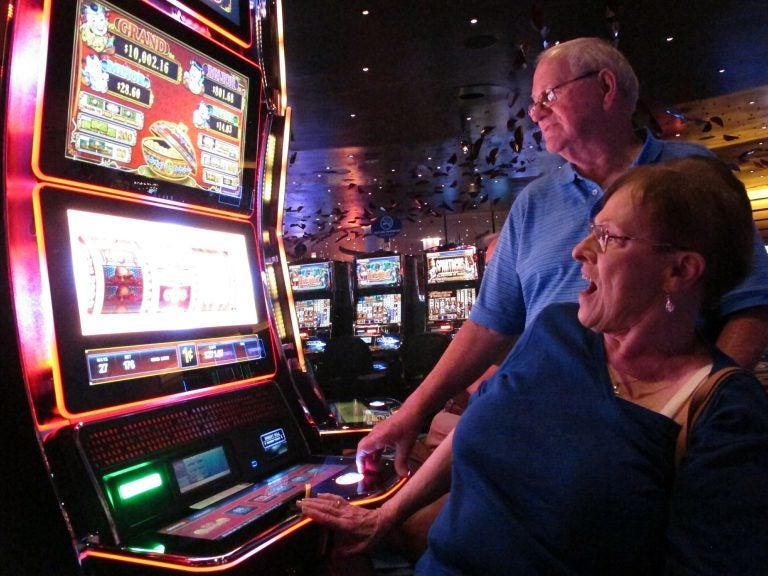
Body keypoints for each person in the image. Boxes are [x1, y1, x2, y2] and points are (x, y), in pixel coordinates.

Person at [299, 155, 768, 574]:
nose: (579, 251)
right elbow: (483, 424)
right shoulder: (557, 330)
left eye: (606, 237)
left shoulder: (724, 410)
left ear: (679, 271)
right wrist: (387, 513)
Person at [357, 36, 768, 477]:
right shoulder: (533, 202)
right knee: (392, 521)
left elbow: (752, 305)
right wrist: (412, 412)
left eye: (548, 96)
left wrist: (696, 412)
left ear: (606, 87)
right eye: (533, 102)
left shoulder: (692, 177)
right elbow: (487, 324)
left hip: (649, 435)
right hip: (538, 425)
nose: (534, 113)